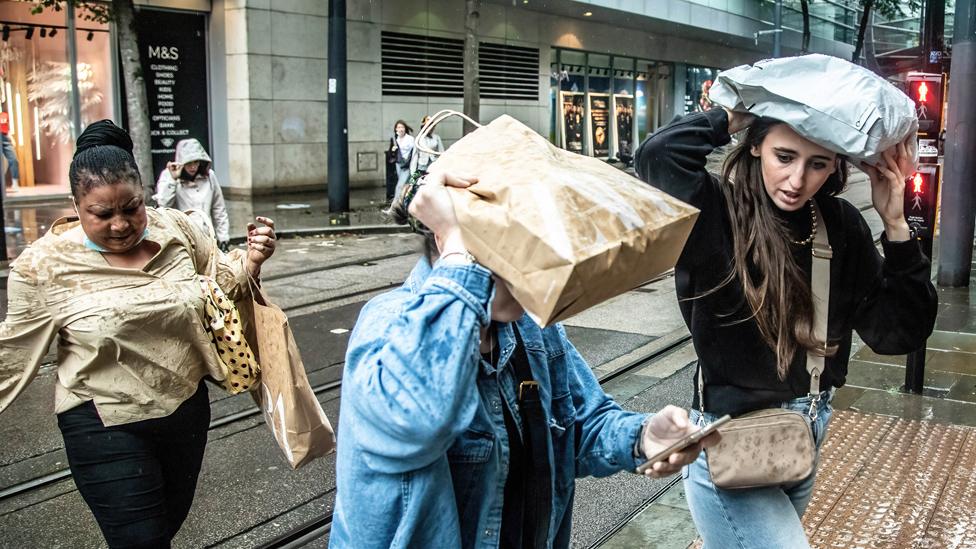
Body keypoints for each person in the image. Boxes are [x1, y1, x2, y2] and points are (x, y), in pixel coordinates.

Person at [330, 170, 720, 548]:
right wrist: (460, 258)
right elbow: (418, 423)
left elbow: (577, 425)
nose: (537, 277)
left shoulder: (531, 330)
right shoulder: (389, 324)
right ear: (450, 242)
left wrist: (642, 436)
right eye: (514, 254)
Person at [635, 105, 938, 547]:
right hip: (731, 441)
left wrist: (895, 226)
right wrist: (738, 113)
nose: (797, 180)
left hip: (805, 434)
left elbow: (897, 333)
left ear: (835, 165)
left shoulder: (839, 224)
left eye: (817, 164)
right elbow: (659, 155)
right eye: (784, 156)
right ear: (755, 145)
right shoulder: (715, 210)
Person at [0, 120, 277, 548]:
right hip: (102, 422)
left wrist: (253, 259)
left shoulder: (180, 230)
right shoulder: (43, 266)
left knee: (163, 529)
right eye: (102, 213)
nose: (120, 224)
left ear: (145, 194)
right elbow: (11, 356)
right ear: (76, 206)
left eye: (131, 208)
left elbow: (223, 283)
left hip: (184, 411)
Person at [154, 138, 231, 251]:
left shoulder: (209, 176)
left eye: (196, 162)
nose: (193, 167)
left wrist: (223, 237)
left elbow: (218, 208)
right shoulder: (168, 176)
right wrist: (173, 180)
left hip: (207, 238)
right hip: (182, 240)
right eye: (189, 163)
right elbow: (163, 204)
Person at [392, 119, 415, 199]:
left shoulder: (410, 139)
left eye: (402, 127)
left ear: (405, 129)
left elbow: (414, 152)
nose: (400, 129)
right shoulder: (395, 139)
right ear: (396, 129)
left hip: (407, 164)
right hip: (398, 163)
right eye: (398, 127)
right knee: (403, 184)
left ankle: (394, 206)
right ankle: (404, 202)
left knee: (400, 185)